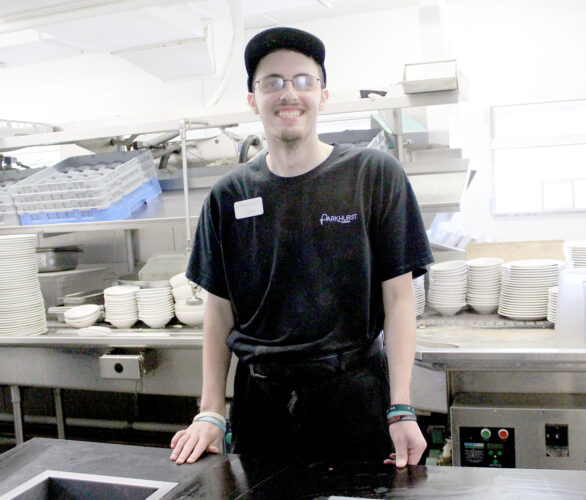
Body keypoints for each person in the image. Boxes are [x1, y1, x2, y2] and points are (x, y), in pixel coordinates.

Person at [170, 26, 433, 468]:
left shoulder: (372, 175)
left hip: (353, 397)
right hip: (260, 406)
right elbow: (219, 309)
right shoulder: (228, 195)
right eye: (272, 82)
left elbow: (399, 299)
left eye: (304, 81)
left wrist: (401, 406)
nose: (289, 93)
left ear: (322, 95)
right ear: (253, 99)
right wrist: (211, 410)